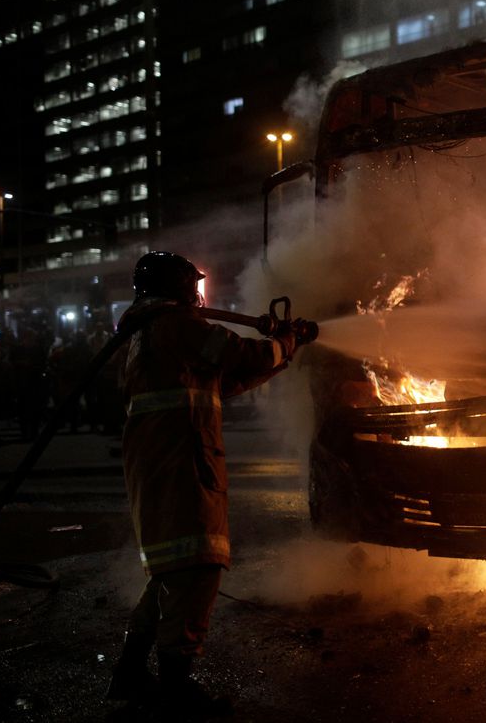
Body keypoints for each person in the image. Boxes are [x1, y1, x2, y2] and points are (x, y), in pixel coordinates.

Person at [106, 251, 314, 717]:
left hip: (163, 465)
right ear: (178, 286)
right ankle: (177, 690)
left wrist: (282, 352)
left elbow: (224, 380)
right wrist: (285, 341)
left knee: (169, 571)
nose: (196, 294)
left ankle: (132, 670)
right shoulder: (178, 327)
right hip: (183, 464)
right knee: (198, 568)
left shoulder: (146, 336)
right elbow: (242, 354)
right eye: (190, 284)